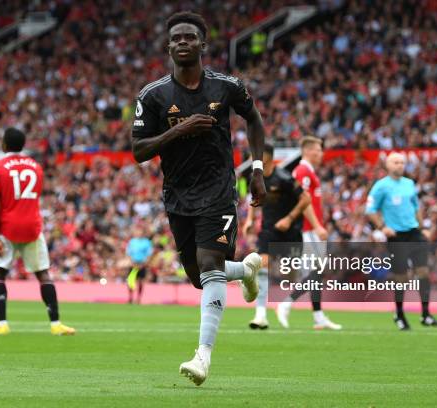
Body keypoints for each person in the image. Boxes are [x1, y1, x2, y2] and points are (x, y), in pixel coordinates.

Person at [131, 11, 267, 386]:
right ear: (169, 46)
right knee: (199, 277)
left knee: (209, 264)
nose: (182, 43)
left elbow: (254, 120)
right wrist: (180, 130)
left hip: (219, 191)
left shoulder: (226, 87)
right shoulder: (153, 95)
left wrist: (257, 169)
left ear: (203, 44)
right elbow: (139, 150)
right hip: (177, 197)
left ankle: (202, 357)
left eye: (189, 37)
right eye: (176, 38)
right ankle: (246, 271)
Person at [0, 127, 75, 336]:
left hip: (7, 226)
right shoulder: (36, 167)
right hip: (32, 226)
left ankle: (2, 324)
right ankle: (55, 324)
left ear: (4, 145)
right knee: (43, 273)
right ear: (23, 145)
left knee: (0, 271)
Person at [365, 152, 437, 330]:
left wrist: (423, 229)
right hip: (396, 236)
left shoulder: (409, 184)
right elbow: (370, 209)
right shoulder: (381, 186)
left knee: (423, 272)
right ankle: (399, 314)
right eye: (395, 162)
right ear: (388, 165)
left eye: (401, 162)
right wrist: (382, 227)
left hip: (414, 233)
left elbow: (416, 207)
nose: (399, 165)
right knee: (402, 277)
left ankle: (425, 314)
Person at [276, 136, 342, 330]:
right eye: (318, 150)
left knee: (316, 274)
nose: (321, 154)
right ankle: (286, 304)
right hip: (308, 229)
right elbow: (303, 201)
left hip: (310, 228)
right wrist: (316, 226)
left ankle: (318, 316)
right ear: (308, 151)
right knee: (315, 273)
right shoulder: (303, 170)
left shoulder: (308, 171)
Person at [243, 143, 311, 329]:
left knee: (291, 276)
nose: (252, 157)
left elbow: (306, 199)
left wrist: (289, 219)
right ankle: (260, 315)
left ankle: (284, 304)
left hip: (291, 231)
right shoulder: (254, 177)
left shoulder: (285, 178)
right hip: (268, 230)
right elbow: (254, 198)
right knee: (262, 265)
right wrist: (250, 219)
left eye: (256, 154)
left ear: (267, 157)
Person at [126, 226, 154, 304]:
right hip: (133, 264)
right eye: (138, 232)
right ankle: (130, 298)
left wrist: (143, 264)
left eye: (140, 232)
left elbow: (149, 254)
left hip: (142, 264)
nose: (139, 233)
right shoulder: (132, 242)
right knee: (131, 281)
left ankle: (138, 298)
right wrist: (132, 262)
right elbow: (128, 253)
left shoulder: (147, 242)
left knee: (141, 282)